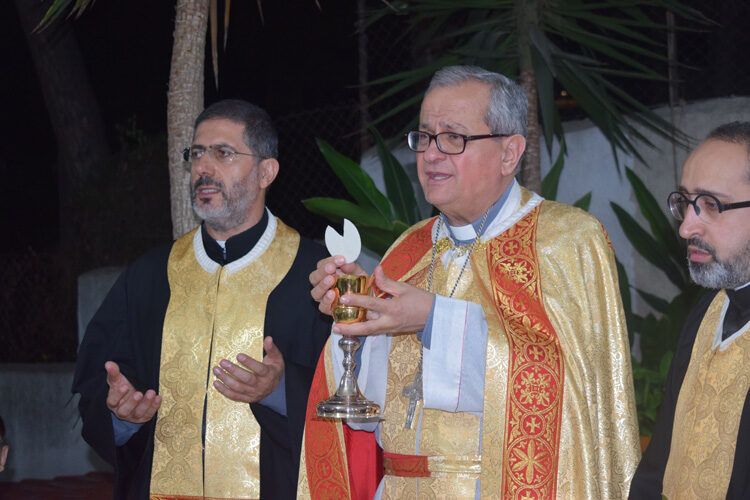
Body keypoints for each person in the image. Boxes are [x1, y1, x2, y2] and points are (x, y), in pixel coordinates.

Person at [299, 65, 640, 499]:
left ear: (509, 153)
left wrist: (434, 320)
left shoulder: (565, 240)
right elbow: (365, 414)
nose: (431, 154)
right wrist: (359, 315)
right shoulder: (408, 250)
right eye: (425, 137)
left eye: (453, 138)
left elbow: (569, 388)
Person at [73, 99, 331, 499]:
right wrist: (123, 418)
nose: (203, 169)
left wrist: (280, 391)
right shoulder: (149, 277)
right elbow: (98, 385)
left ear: (266, 172)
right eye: (196, 154)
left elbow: (354, 392)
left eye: (223, 153)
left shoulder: (317, 276)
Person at [630, 122, 750, 499]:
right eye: (685, 202)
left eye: (711, 205)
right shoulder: (707, 310)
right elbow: (660, 460)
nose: (685, 228)